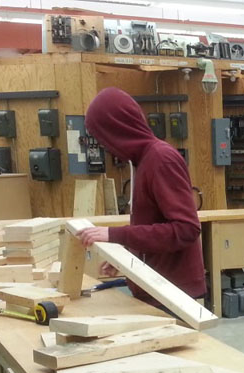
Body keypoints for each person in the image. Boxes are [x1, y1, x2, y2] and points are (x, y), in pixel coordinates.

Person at [77, 87, 206, 303]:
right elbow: (153, 225)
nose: (106, 147)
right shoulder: (142, 161)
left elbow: (186, 229)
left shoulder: (161, 159)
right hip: (154, 287)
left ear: (118, 130)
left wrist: (115, 234)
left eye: (104, 138)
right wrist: (129, 256)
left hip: (175, 296)